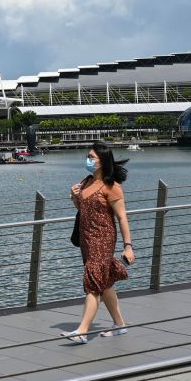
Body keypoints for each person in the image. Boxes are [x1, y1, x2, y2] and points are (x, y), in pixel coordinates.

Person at [64, 141, 135, 343]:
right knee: (103, 282)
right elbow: (83, 209)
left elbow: (122, 217)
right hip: (86, 238)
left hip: (103, 238)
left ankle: (82, 331)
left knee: (93, 283)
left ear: (102, 161)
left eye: (91, 157)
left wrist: (128, 246)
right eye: (88, 156)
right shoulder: (86, 182)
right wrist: (74, 197)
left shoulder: (111, 187)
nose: (88, 160)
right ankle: (120, 325)